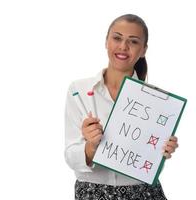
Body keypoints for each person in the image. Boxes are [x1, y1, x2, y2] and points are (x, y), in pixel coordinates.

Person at [65, 14, 179, 200]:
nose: (123, 47)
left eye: (133, 42)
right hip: (92, 194)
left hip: (144, 193)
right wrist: (90, 148)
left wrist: (162, 151)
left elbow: (148, 163)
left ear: (143, 50)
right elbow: (70, 155)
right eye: (117, 38)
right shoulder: (79, 91)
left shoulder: (159, 101)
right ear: (106, 41)